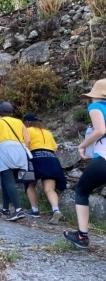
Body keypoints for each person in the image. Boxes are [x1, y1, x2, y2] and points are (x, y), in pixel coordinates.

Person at [64, 79, 106, 249]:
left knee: (82, 190)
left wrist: (82, 145)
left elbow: (101, 130)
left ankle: (82, 236)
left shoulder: (96, 107)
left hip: (104, 158)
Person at [0, 102, 30, 221]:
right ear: (11, 113)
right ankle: (5, 208)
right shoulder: (19, 122)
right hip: (20, 150)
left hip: (5, 150)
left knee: (8, 181)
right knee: (6, 180)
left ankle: (18, 210)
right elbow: (28, 140)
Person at [22, 114, 66, 224]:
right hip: (51, 158)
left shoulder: (28, 130)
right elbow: (55, 148)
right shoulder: (48, 132)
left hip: (35, 157)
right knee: (49, 189)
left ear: (26, 122)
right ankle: (56, 210)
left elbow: (26, 144)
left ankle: (34, 210)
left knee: (30, 184)